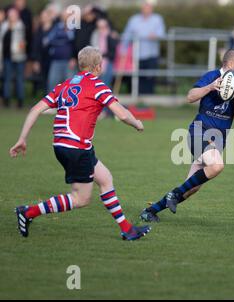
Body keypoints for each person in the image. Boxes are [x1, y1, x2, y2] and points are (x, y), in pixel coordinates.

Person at [9, 46, 150, 241]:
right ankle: (28, 212)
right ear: (98, 67)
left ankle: (127, 229)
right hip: (76, 147)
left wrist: (22, 138)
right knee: (81, 199)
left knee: (105, 179)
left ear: (79, 64)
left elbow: (35, 109)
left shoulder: (64, 85)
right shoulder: (97, 85)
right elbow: (122, 114)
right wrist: (137, 124)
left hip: (62, 144)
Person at [140, 49, 234, 222]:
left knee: (191, 188)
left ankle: (150, 211)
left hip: (217, 140)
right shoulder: (212, 75)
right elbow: (190, 97)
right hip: (200, 132)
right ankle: (172, 195)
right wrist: (211, 86)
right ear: (229, 64)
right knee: (217, 166)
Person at [121, 0, 166, 94]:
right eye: (145, 6)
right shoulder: (133, 19)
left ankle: (148, 100)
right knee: (135, 78)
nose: (147, 9)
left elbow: (162, 34)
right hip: (136, 55)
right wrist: (123, 50)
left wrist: (155, 36)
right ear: (142, 8)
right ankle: (135, 99)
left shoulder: (157, 19)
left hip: (151, 54)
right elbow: (126, 35)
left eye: (149, 7)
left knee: (149, 78)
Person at [44, 9, 77, 91]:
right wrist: (64, 40)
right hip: (56, 60)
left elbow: (76, 43)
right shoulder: (57, 26)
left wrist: (74, 58)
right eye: (64, 16)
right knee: (52, 84)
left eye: (68, 16)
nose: (66, 18)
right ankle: (52, 103)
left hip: (69, 62)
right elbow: (47, 40)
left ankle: (70, 103)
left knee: (71, 86)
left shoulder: (75, 28)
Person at [0, 7, 27, 108]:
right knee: (7, 79)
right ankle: (7, 100)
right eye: (10, 15)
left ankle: (20, 101)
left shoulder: (21, 26)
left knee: (19, 79)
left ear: (17, 16)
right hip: (7, 57)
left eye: (14, 15)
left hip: (19, 57)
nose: (12, 17)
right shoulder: (4, 26)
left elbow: (22, 42)